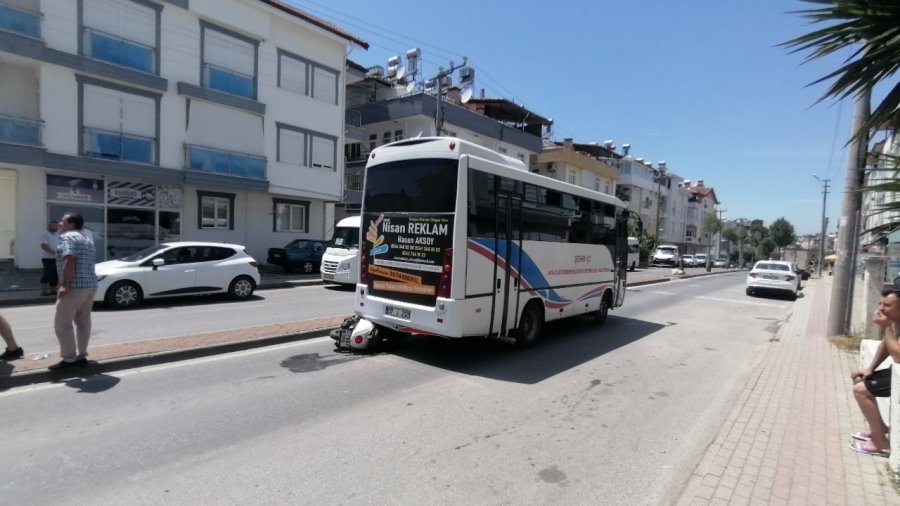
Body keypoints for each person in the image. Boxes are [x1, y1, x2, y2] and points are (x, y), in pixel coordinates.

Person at [849, 288, 900, 456]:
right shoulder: (894, 320)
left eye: (887, 305)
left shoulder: (891, 322)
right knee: (859, 380)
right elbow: (886, 345)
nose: (881, 308)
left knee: (860, 391)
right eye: (880, 304)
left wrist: (886, 327)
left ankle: (879, 442)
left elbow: (898, 354)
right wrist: (870, 369)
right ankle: (879, 428)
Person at [50, 213, 97, 371]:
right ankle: (82, 355)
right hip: (90, 286)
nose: (59, 223)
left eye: (62, 221)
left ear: (71, 224)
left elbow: (70, 259)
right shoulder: (87, 239)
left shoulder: (68, 237)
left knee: (62, 324)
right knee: (83, 323)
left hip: (74, 287)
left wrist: (64, 285)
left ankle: (69, 359)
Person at [39, 220, 60, 296]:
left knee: (56, 274)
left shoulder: (58, 235)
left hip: (58, 258)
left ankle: (53, 290)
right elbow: (44, 246)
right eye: (50, 226)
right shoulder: (45, 235)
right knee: (48, 273)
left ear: (57, 226)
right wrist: (53, 253)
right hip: (48, 258)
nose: (51, 227)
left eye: (53, 225)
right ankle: (43, 290)